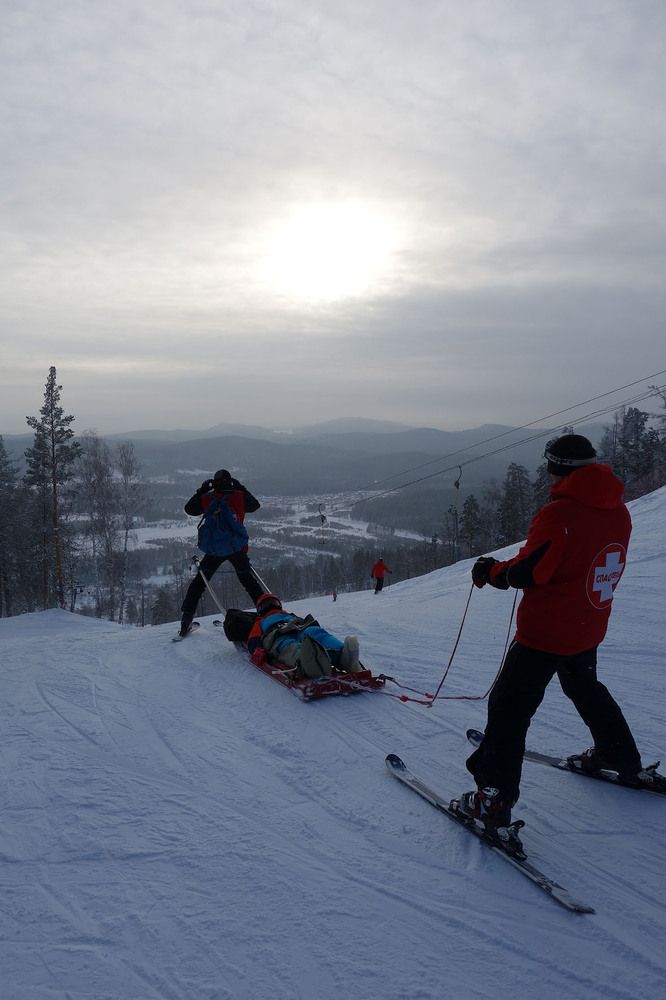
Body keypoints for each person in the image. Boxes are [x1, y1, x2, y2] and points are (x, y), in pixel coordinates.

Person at [459, 433, 651, 836]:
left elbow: (530, 571)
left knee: (510, 708)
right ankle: (619, 756)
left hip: (545, 633)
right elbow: (574, 560)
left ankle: (493, 798)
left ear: (556, 466)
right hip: (589, 624)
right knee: (585, 688)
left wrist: (491, 570)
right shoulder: (618, 508)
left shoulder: (561, 512)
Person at [179, 469, 264, 636]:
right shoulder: (239, 496)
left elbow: (189, 509)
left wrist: (202, 490)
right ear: (230, 482)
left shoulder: (207, 499)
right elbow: (255, 505)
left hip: (214, 550)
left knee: (199, 584)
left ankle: (186, 621)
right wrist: (241, 487)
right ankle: (268, 614)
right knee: (249, 582)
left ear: (214, 483)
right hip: (236, 549)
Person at [247, 593, 362, 678]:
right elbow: (253, 639)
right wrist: (257, 650)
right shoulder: (260, 622)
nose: (271, 606)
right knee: (289, 645)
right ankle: (307, 662)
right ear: (260, 610)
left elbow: (303, 622)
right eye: (267, 604)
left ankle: (343, 655)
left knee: (315, 631)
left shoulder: (289, 614)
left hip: (298, 629)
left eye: (273, 603)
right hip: (277, 636)